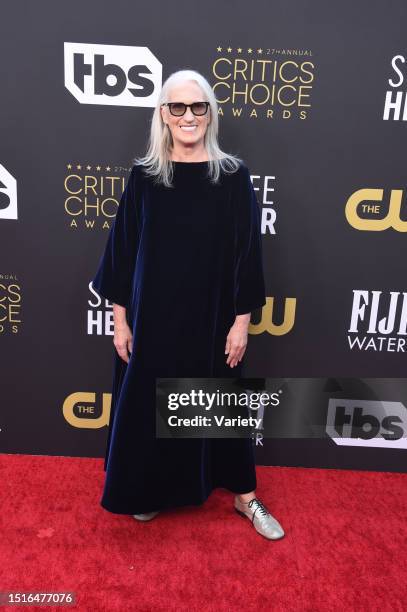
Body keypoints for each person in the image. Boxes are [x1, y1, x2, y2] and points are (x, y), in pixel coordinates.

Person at [91, 69, 284, 541]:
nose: (188, 116)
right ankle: (150, 490)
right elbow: (121, 252)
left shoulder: (233, 177)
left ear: (210, 114)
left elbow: (246, 255)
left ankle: (244, 497)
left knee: (219, 402)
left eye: (198, 107)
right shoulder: (144, 178)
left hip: (212, 320)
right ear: (163, 114)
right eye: (177, 107)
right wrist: (120, 322)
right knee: (149, 407)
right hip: (154, 320)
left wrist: (241, 323)